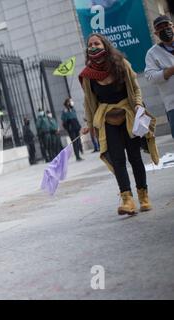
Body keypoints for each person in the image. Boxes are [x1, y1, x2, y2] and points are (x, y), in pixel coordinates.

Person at [79, 33, 159, 215]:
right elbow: (89, 102)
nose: (93, 47)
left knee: (135, 158)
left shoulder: (121, 64)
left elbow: (135, 88)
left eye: (96, 43)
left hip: (129, 116)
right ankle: (127, 200)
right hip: (107, 119)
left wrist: (138, 104)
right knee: (118, 160)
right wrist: (89, 123)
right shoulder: (88, 75)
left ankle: (144, 196)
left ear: (105, 45)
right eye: (90, 44)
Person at [145, 15, 174, 138]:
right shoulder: (152, 53)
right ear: (156, 33)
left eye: (167, 25)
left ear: (173, 27)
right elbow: (150, 77)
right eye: (160, 28)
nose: (165, 29)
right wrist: (169, 71)